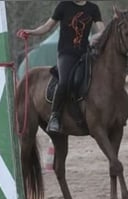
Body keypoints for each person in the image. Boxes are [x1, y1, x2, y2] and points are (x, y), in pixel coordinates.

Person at [17, 0, 105, 133]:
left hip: (85, 54)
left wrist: (96, 37)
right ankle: (55, 116)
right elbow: (46, 27)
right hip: (66, 54)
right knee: (64, 82)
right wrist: (30, 32)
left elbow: (102, 31)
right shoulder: (63, 6)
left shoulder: (93, 8)